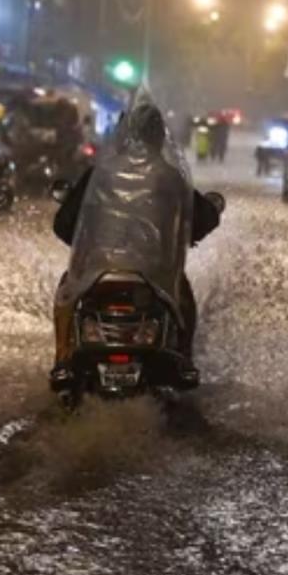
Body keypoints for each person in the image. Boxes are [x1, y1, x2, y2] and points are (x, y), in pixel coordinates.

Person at [51, 101, 220, 385]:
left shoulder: (99, 175)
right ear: (158, 137)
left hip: (97, 271)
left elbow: (63, 223)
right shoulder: (169, 176)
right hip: (154, 272)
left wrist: (86, 244)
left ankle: (63, 358)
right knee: (183, 297)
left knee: (66, 293)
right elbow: (203, 218)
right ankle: (186, 359)